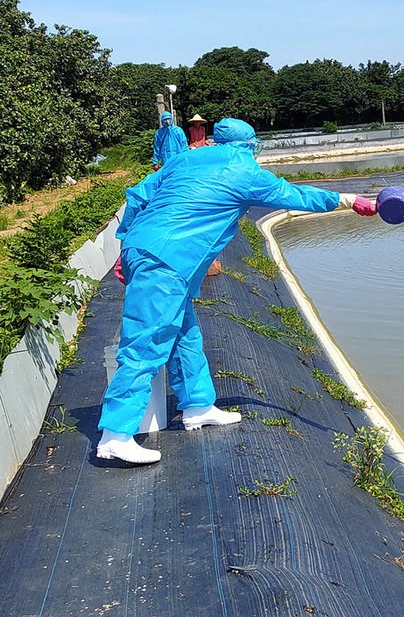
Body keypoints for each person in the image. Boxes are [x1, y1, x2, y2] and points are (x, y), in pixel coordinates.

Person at [97, 117, 379, 464]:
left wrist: (126, 246)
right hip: (169, 260)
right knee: (147, 341)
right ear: (249, 145)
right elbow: (293, 195)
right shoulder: (245, 171)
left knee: (184, 334)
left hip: (148, 249)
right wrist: (348, 199)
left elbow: (138, 195)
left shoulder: (186, 158)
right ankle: (115, 434)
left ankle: (198, 405)